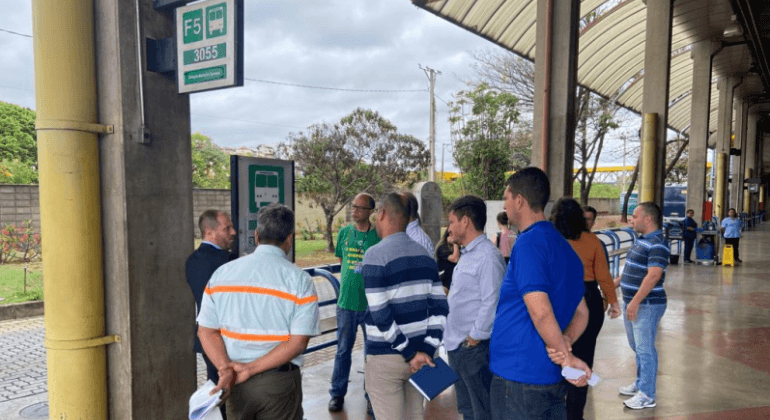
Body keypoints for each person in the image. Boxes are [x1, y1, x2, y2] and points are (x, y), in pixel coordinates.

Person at [197, 203, 320, 420]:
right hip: (278, 385)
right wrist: (251, 369)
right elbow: (298, 342)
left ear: (256, 236)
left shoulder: (222, 274)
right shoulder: (300, 280)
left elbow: (206, 331)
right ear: (289, 238)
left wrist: (225, 370)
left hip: (236, 384)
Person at [489, 167, 591, 420]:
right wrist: (565, 341)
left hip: (519, 377)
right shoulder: (566, 250)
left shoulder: (528, 243)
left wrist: (566, 358)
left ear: (520, 200)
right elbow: (582, 312)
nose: (505, 205)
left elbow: (541, 312)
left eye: (506, 198)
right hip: (550, 378)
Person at [362, 192, 448, 420]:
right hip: (421, 359)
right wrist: (426, 351)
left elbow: (380, 314)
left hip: (386, 358)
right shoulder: (425, 256)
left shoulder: (374, 255)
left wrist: (409, 353)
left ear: (381, 214)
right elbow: (441, 309)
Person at [549, 198, 620, 420]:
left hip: (558, 299)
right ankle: (575, 414)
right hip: (589, 299)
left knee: (558, 351)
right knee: (584, 356)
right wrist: (613, 301)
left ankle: (554, 408)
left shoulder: (551, 240)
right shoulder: (592, 241)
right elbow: (603, 276)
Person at [444, 195, 506, 420]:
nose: (449, 227)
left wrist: (474, 337)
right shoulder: (468, 254)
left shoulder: (488, 257)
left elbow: (493, 300)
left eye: (451, 221)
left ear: (465, 221)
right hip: (457, 345)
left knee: (483, 411)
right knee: (468, 409)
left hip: (473, 349)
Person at [329, 193, 380, 413]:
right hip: (346, 303)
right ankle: (337, 394)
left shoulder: (378, 235)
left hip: (371, 306)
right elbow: (343, 261)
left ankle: (371, 395)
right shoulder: (344, 233)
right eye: (353, 206)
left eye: (360, 207)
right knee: (343, 351)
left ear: (370, 212)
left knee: (371, 354)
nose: (355, 210)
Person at [617, 202, 669, 410]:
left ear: (648, 219)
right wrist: (611, 284)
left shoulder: (657, 243)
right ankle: (640, 383)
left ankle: (647, 394)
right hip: (633, 302)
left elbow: (654, 275)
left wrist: (636, 301)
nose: (632, 219)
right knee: (636, 346)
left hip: (646, 304)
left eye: (636, 215)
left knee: (645, 349)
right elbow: (632, 270)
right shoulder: (642, 240)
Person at [185, 210, 237, 420]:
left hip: (207, 341)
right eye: (227, 228)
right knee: (233, 396)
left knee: (217, 388)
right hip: (231, 341)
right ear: (209, 232)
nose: (233, 232)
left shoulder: (191, 261)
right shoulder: (228, 262)